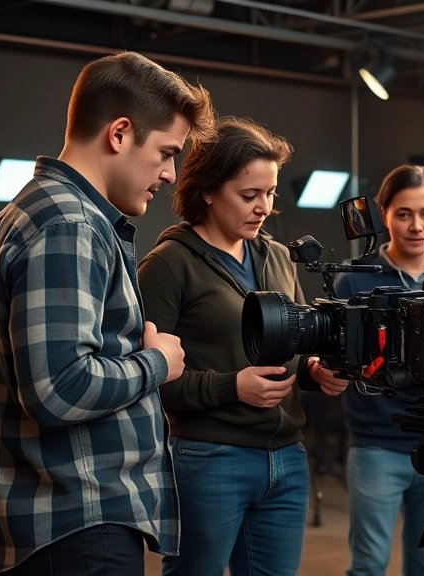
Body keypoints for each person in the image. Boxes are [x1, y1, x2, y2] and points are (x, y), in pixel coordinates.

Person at [0, 51, 215, 575]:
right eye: (167, 152)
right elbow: (59, 388)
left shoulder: (43, 212)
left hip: (64, 526)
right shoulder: (68, 224)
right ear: (120, 134)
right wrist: (158, 362)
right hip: (75, 527)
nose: (170, 174)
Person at [137, 117, 343, 576]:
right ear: (208, 191)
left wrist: (314, 370)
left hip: (288, 456)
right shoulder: (168, 266)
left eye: (269, 194)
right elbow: (147, 378)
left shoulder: (274, 256)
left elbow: (300, 340)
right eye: (249, 195)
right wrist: (232, 388)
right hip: (209, 460)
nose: (264, 207)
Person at [332, 164, 424, 576]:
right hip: (376, 443)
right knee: (369, 563)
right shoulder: (354, 280)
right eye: (403, 213)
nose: (415, 225)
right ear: (384, 214)